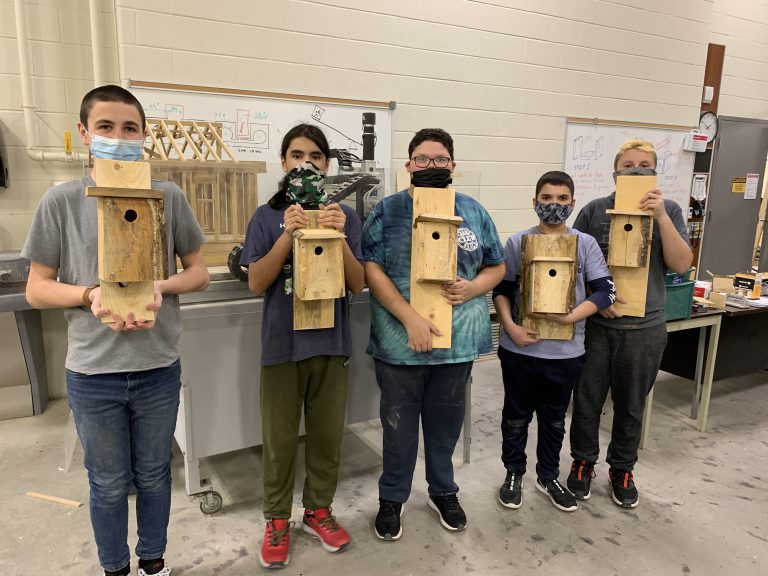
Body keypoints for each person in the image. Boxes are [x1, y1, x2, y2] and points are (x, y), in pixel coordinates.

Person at [21, 85, 210, 576]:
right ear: (84, 134)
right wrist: (89, 295)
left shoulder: (167, 196)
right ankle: (114, 569)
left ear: (144, 135)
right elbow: (37, 288)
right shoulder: (60, 201)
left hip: (157, 368)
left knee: (154, 476)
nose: (118, 137)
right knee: (106, 483)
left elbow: (199, 272)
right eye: (105, 127)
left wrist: (160, 287)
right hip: (93, 373)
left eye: (129, 128)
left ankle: (153, 564)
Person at [362, 128, 505, 540]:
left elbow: (495, 265)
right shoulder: (387, 211)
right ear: (408, 165)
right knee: (398, 428)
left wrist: (475, 287)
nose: (431, 166)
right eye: (422, 159)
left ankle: (443, 491)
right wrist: (409, 318)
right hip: (399, 343)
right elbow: (371, 268)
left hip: (456, 345)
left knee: (445, 428)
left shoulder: (473, 211)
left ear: (453, 165)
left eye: (440, 159)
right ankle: (393, 498)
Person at [240, 123, 365, 569]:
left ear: (326, 165)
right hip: (281, 345)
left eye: (314, 155)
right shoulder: (265, 215)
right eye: (296, 155)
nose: (305, 163)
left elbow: (357, 283)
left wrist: (340, 236)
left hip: (331, 343)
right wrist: (285, 236)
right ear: (282, 162)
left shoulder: (345, 216)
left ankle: (318, 511)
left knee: (328, 436)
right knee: (278, 440)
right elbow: (256, 282)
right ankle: (277, 519)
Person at [567, 139, 692, 509]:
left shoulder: (669, 210)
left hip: (645, 329)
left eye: (644, 165)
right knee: (587, 400)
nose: (635, 170)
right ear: (615, 171)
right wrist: (595, 298)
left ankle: (622, 468)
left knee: (632, 404)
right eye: (628, 164)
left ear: (655, 171)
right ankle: (583, 462)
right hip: (598, 328)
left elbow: (682, 263)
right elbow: (573, 264)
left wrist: (662, 218)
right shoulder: (594, 210)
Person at [492, 171, 615, 513]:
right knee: (516, 416)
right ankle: (513, 473)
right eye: (547, 198)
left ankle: (548, 476)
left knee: (554, 419)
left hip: (565, 352)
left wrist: (572, 318)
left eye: (562, 200)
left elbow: (606, 291)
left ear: (573, 204)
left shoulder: (584, 244)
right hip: (520, 349)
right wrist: (511, 327)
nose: (554, 206)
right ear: (535, 202)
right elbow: (501, 289)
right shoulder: (518, 242)